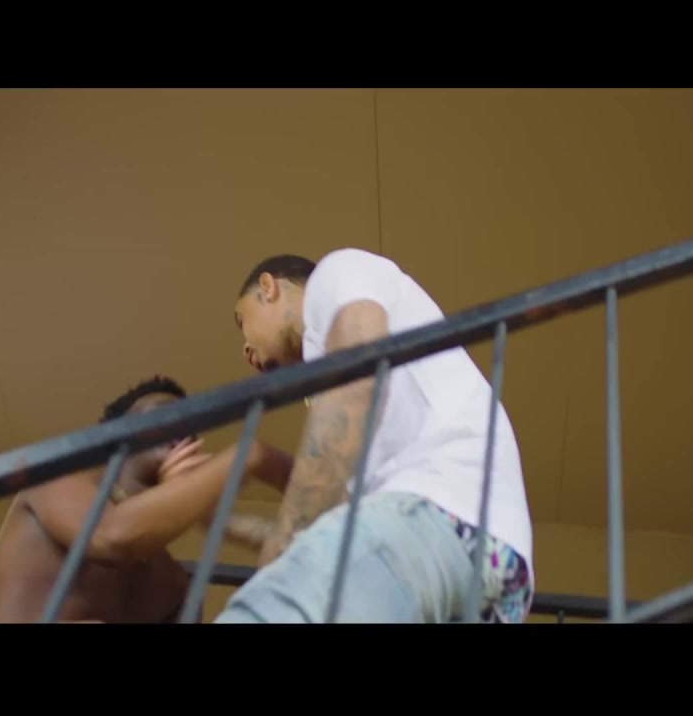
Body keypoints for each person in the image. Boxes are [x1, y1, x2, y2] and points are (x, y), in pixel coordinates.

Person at [220, 250, 534, 623]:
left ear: (268, 288)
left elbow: (359, 384)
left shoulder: (335, 274)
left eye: (242, 321)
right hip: (497, 572)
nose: (245, 349)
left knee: (264, 611)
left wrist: (280, 550)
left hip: (438, 514)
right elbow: (342, 516)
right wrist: (240, 528)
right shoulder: (332, 383)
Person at [0, 376, 290, 623]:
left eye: (192, 425)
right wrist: (250, 456)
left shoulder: (174, 585)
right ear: (118, 436)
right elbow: (111, 536)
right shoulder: (54, 474)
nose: (183, 425)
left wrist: (230, 525)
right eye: (164, 413)